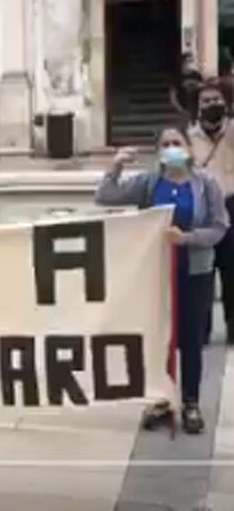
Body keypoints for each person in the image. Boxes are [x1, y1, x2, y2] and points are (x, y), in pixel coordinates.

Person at [96, 127, 228, 434]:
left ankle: (191, 402)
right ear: (159, 151)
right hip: (156, 271)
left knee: (192, 340)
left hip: (195, 271)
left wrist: (188, 238)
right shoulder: (148, 182)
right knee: (159, 338)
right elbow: (105, 196)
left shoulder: (205, 184)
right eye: (165, 144)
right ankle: (161, 399)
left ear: (187, 147)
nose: (171, 148)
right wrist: (116, 165)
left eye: (176, 143)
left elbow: (220, 227)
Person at [190, 81, 234, 343]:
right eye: (205, 102)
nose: (211, 105)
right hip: (203, 209)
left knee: (232, 272)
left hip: (232, 204)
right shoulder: (188, 136)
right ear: (197, 108)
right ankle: (200, 329)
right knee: (202, 272)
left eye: (215, 100)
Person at [171, 52, 204, 122]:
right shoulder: (178, 76)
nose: (191, 63)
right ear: (183, 62)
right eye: (189, 61)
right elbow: (173, 94)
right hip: (184, 107)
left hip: (197, 108)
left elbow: (204, 89)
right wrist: (179, 108)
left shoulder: (197, 75)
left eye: (192, 60)